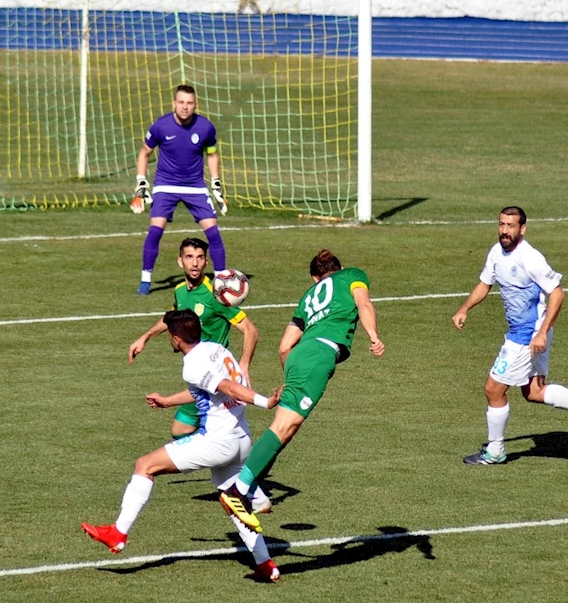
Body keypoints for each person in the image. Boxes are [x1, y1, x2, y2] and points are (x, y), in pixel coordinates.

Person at [82, 309, 282, 582]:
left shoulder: (192, 364)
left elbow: (228, 388)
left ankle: (118, 534)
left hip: (217, 441)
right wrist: (167, 401)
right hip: (241, 439)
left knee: (145, 465)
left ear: (176, 339)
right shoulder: (216, 348)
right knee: (233, 502)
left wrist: (266, 402)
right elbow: (205, 388)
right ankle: (266, 564)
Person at [220, 249, 384, 533]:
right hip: (319, 354)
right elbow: (364, 305)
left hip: (299, 357)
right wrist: (373, 336)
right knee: (284, 426)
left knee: (287, 430)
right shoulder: (353, 275)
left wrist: (291, 377)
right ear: (340, 267)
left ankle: (249, 489)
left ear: (315, 278)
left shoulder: (308, 298)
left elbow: (284, 346)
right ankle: (239, 490)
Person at [450, 206, 568, 465]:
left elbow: (558, 293)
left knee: (493, 389)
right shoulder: (496, 252)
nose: (505, 230)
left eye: (511, 226)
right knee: (534, 392)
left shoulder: (530, 258)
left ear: (522, 229)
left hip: (527, 337)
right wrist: (464, 308)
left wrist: (540, 333)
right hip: (532, 335)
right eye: (501, 224)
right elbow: (485, 283)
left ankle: (495, 451)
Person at [128, 237, 272, 516]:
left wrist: (244, 365)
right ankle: (241, 479)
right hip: (198, 377)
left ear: (207, 261)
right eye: (189, 257)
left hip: (216, 381)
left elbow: (251, 331)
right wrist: (145, 336)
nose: (195, 263)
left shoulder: (217, 295)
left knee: (204, 439)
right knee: (179, 430)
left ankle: (240, 482)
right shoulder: (181, 291)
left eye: (200, 257)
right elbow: (171, 317)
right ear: (180, 261)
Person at [131, 84, 227, 295]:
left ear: (195, 105)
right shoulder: (161, 126)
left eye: (189, 103)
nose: (185, 107)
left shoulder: (206, 127)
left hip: (195, 186)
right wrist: (141, 184)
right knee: (155, 231)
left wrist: (216, 183)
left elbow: (212, 154)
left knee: (213, 232)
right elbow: (144, 153)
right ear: (174, 103)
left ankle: (221, 281)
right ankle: (145, 281)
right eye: (181, 102)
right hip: (166, 185)